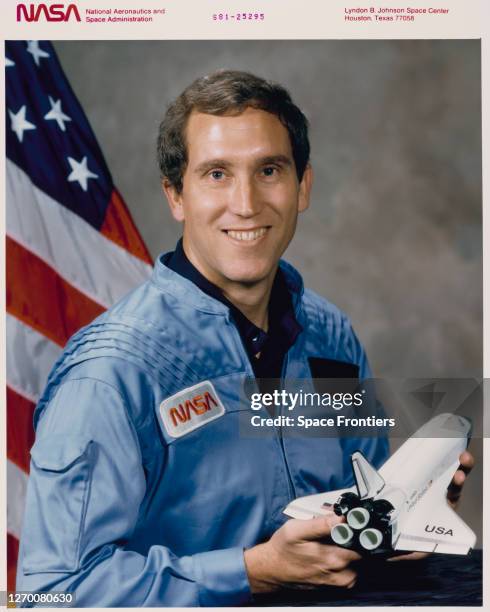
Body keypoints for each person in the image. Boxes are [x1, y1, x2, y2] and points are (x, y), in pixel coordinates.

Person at [17, 70, 474, 606]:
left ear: (302, 186)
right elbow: (49, 595)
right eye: (216, 174)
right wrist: (250, 572)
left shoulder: (332, 338)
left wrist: (400, 515)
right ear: (175, 196)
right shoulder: (110, 376)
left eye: (269, 170)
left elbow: (355, 500)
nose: (246, 202)